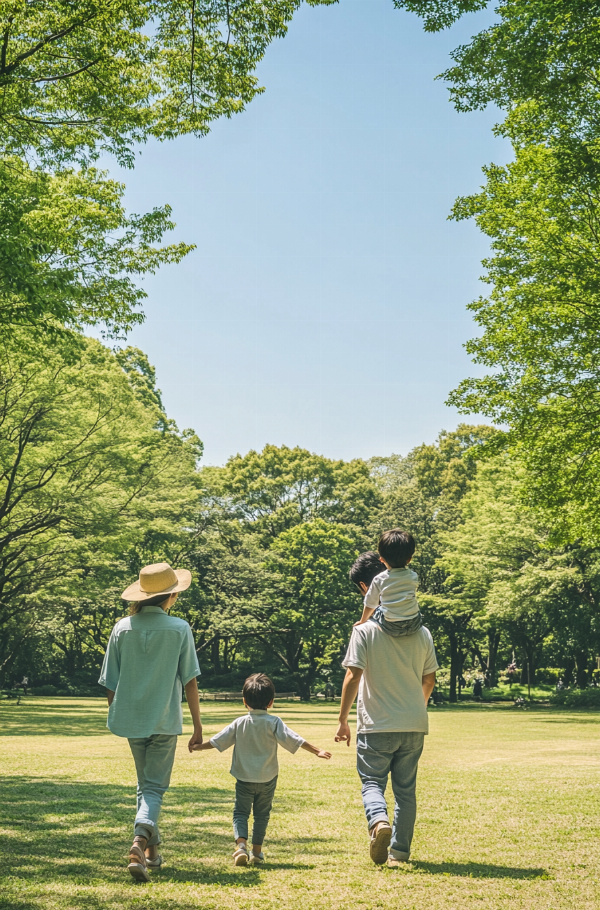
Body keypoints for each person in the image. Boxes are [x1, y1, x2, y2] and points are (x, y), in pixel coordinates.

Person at [98, 562, 202, 883]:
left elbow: (109, 683)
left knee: (146, 786)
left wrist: (120, 712)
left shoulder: (121, 627)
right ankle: (139, 843)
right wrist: (198, 726)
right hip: (165, 719)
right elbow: (190, 682)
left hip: (132, 719)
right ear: (170, 596)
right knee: (155, 787)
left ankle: (153, 854)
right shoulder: (180, 628)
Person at [337, 546, 439, 867]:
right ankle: (399, 854)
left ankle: (379, 821)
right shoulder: (422, 632)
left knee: (371, 783)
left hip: (376, 724)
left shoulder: (364, 631)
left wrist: (342, 719)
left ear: (370, 588)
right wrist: (416, 708)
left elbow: (353, 677)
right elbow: (430, 680)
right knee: (406, 791)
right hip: (413, 724)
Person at [192, 672, 331, 866]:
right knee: (261, 815)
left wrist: (198, 746)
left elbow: (218, 741)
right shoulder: (274, 722)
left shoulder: (240, 723)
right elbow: (295, 739)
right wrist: (317, 751)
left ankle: (241, 846)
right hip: (267, 778)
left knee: (240, 813)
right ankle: (256, 852)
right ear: (271, 702)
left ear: (244, 701)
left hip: (244, 778)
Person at [355, 530, 423, 637]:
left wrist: (362, 621)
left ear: (382, 559)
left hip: (391, 626)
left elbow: (370, 604)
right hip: (414, 624)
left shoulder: (380, 579)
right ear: (409, 559)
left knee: (378, 609)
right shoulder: (414, 576)